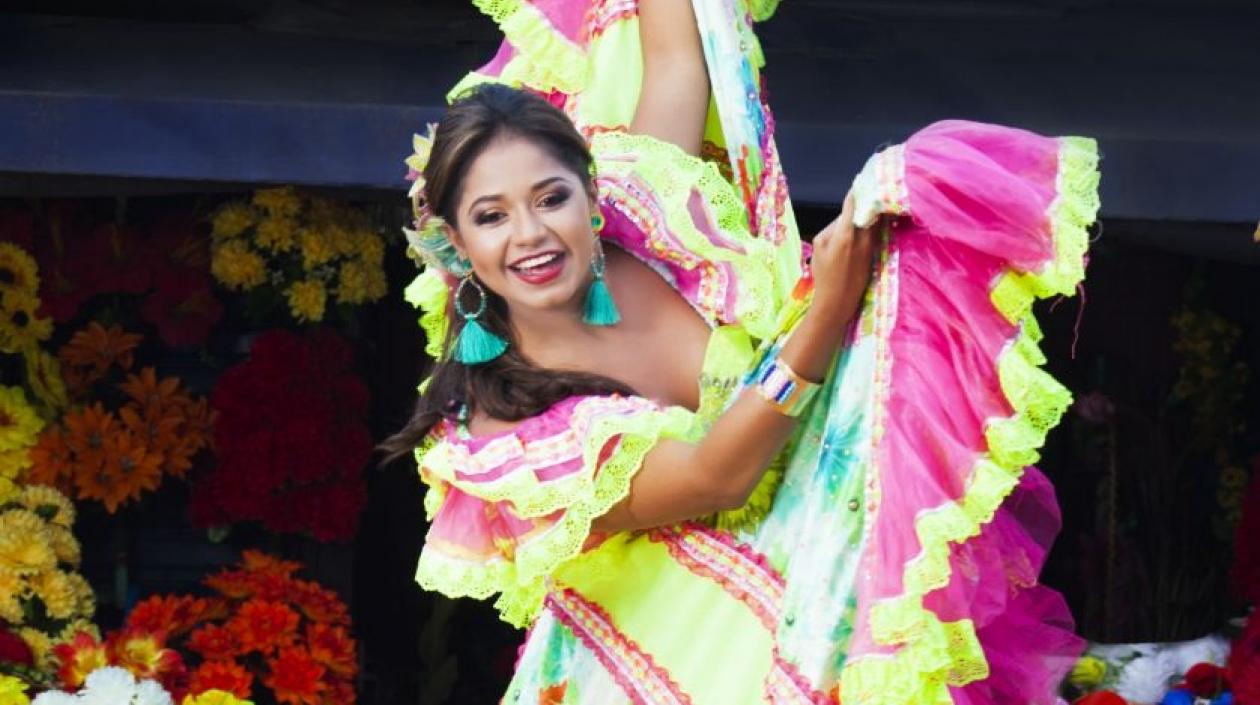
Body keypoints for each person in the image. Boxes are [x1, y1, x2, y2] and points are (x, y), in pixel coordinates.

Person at [384, 1, 1100, 702]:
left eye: (550, 198)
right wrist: (829, 308)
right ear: (455, 240)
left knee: (910, 183)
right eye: (492, 216)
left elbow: (674, 56)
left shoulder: (645, 223)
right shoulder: (502, 435)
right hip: (677, 657)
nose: (531, 234)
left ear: (591, 197)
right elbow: (714, 474)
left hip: (808, 569)